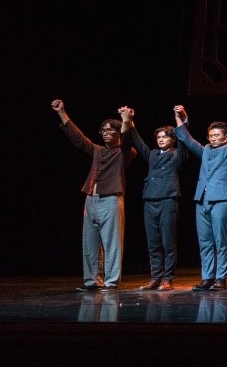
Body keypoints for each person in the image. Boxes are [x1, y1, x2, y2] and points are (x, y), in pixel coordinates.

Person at [53, 99, 135, 292]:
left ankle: (111, 281)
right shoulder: (98, 151)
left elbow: (127, 139)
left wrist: (126, 120)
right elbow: (79, 139)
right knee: (90, 244)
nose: (105, 133)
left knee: (112, 242)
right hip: (91, 199)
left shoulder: (125, 152)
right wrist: (62, 112)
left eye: (110, 130)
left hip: (111, 200)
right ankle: (92, 281)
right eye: (103, 130)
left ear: (117, 133)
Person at [174, 104, 227, 291]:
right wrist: (180, 118)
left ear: (226, 137)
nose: (212, 138)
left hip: (222, 198)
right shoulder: (206, 149)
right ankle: (207, 277)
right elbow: (187, 140)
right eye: (210, 135)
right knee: (205, 241)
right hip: (202, 199)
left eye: (216, 135)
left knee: (221, 240)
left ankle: (221, 278)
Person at [118, 105, 183, 291]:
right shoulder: (153, 154)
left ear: (173, 139)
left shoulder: (177, 154)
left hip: (168, 200)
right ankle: (155, 277)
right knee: (153, 242)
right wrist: (130, 121)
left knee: (168, 242)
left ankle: (168, 278)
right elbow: (138, 142)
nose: (161, 139)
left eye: (165, 137)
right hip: (150, 200)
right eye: (159, 137)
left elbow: (185, 141)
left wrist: (181, 119)